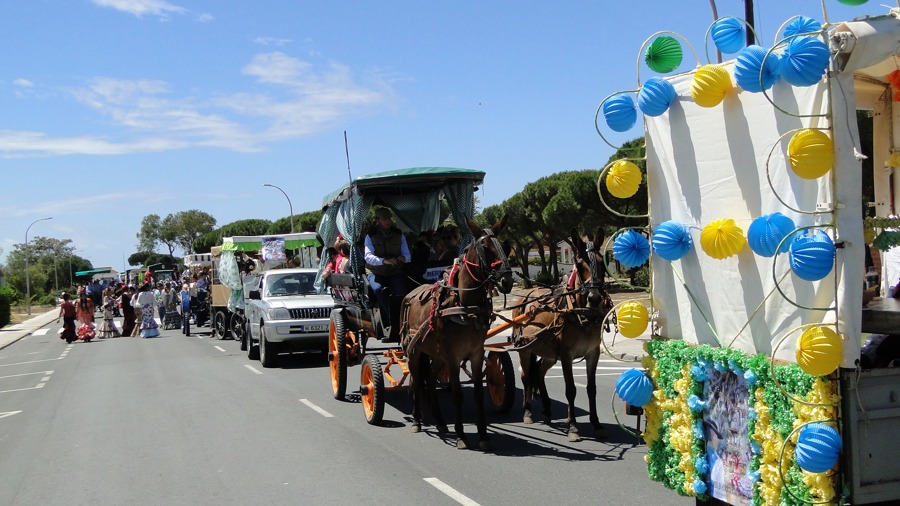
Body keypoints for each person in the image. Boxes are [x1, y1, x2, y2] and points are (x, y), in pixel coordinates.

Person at [364, 207, 411, 330]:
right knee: (379, 289)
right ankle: (390, 319)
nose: (388, 221)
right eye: (384, 219)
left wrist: (402, 258)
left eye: (389, 219)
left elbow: (408, 256)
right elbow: (368, 257)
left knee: (402, 292)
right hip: (376, 271)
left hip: (395, 271)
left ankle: (404, 320)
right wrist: (384, 261)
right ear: (377, 220)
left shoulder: (398, 234)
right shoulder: (370, 236)